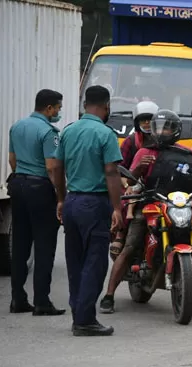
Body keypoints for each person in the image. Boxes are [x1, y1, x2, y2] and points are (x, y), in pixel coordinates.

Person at [98, 110, 192, 317]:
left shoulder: (186, 154)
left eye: (167, 127)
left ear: (176, 130)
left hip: (179, 207)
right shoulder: (144, 152)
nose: (162, 131)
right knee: (130, 245)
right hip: (150, 205)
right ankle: (109, 296)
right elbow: (130, 181)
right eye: (159, 127)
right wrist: (136, 172)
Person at [50, 86, 123, 336]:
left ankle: (78, 314)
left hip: (72, 202)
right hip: (95, 204)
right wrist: (117, 207)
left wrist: (61, 199)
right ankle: (85, 320)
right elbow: (112, 172)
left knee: (75, 261)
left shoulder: (68, 131)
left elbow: (56, 169)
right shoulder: (105, 134)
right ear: (106, 106)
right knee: (95, 262)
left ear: (84, 105)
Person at [7, 89, 66, 316]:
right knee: (44, 246)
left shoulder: (17, 126)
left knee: (21, 245)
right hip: (39, 188)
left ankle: (17, 299)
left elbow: (12, 160)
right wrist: (61, 196)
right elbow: (52, 167)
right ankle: (41, 301)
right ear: (49, 108)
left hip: (19, 185)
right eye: (58, 108)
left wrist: (22, 176)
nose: (59, 112)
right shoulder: (48, 132)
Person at [110, 101, 159, 259]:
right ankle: (121, 235)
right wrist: (127, 184)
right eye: (142, 120)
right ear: (136, 123)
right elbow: (118, 170)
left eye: (149, 120)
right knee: (126, 199)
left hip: (159, 187)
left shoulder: (164, 140)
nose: (146, 123)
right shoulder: (131, 142)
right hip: (132, 183)